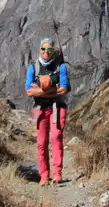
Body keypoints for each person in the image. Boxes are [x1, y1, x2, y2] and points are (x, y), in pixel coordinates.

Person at [25, 37, 70, 185]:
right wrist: (52, 90)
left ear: (53, 51)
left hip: (57, 108)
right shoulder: (33, 67)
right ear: (40, 50)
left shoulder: (61, 67)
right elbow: (28, 91)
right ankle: (44, 175)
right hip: (41, 109)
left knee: (56, 137)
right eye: (43, 49)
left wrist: (40, 90)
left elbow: (63, 89)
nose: (46, 52)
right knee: (41, 143)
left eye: (49, 49)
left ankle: (57, 173)